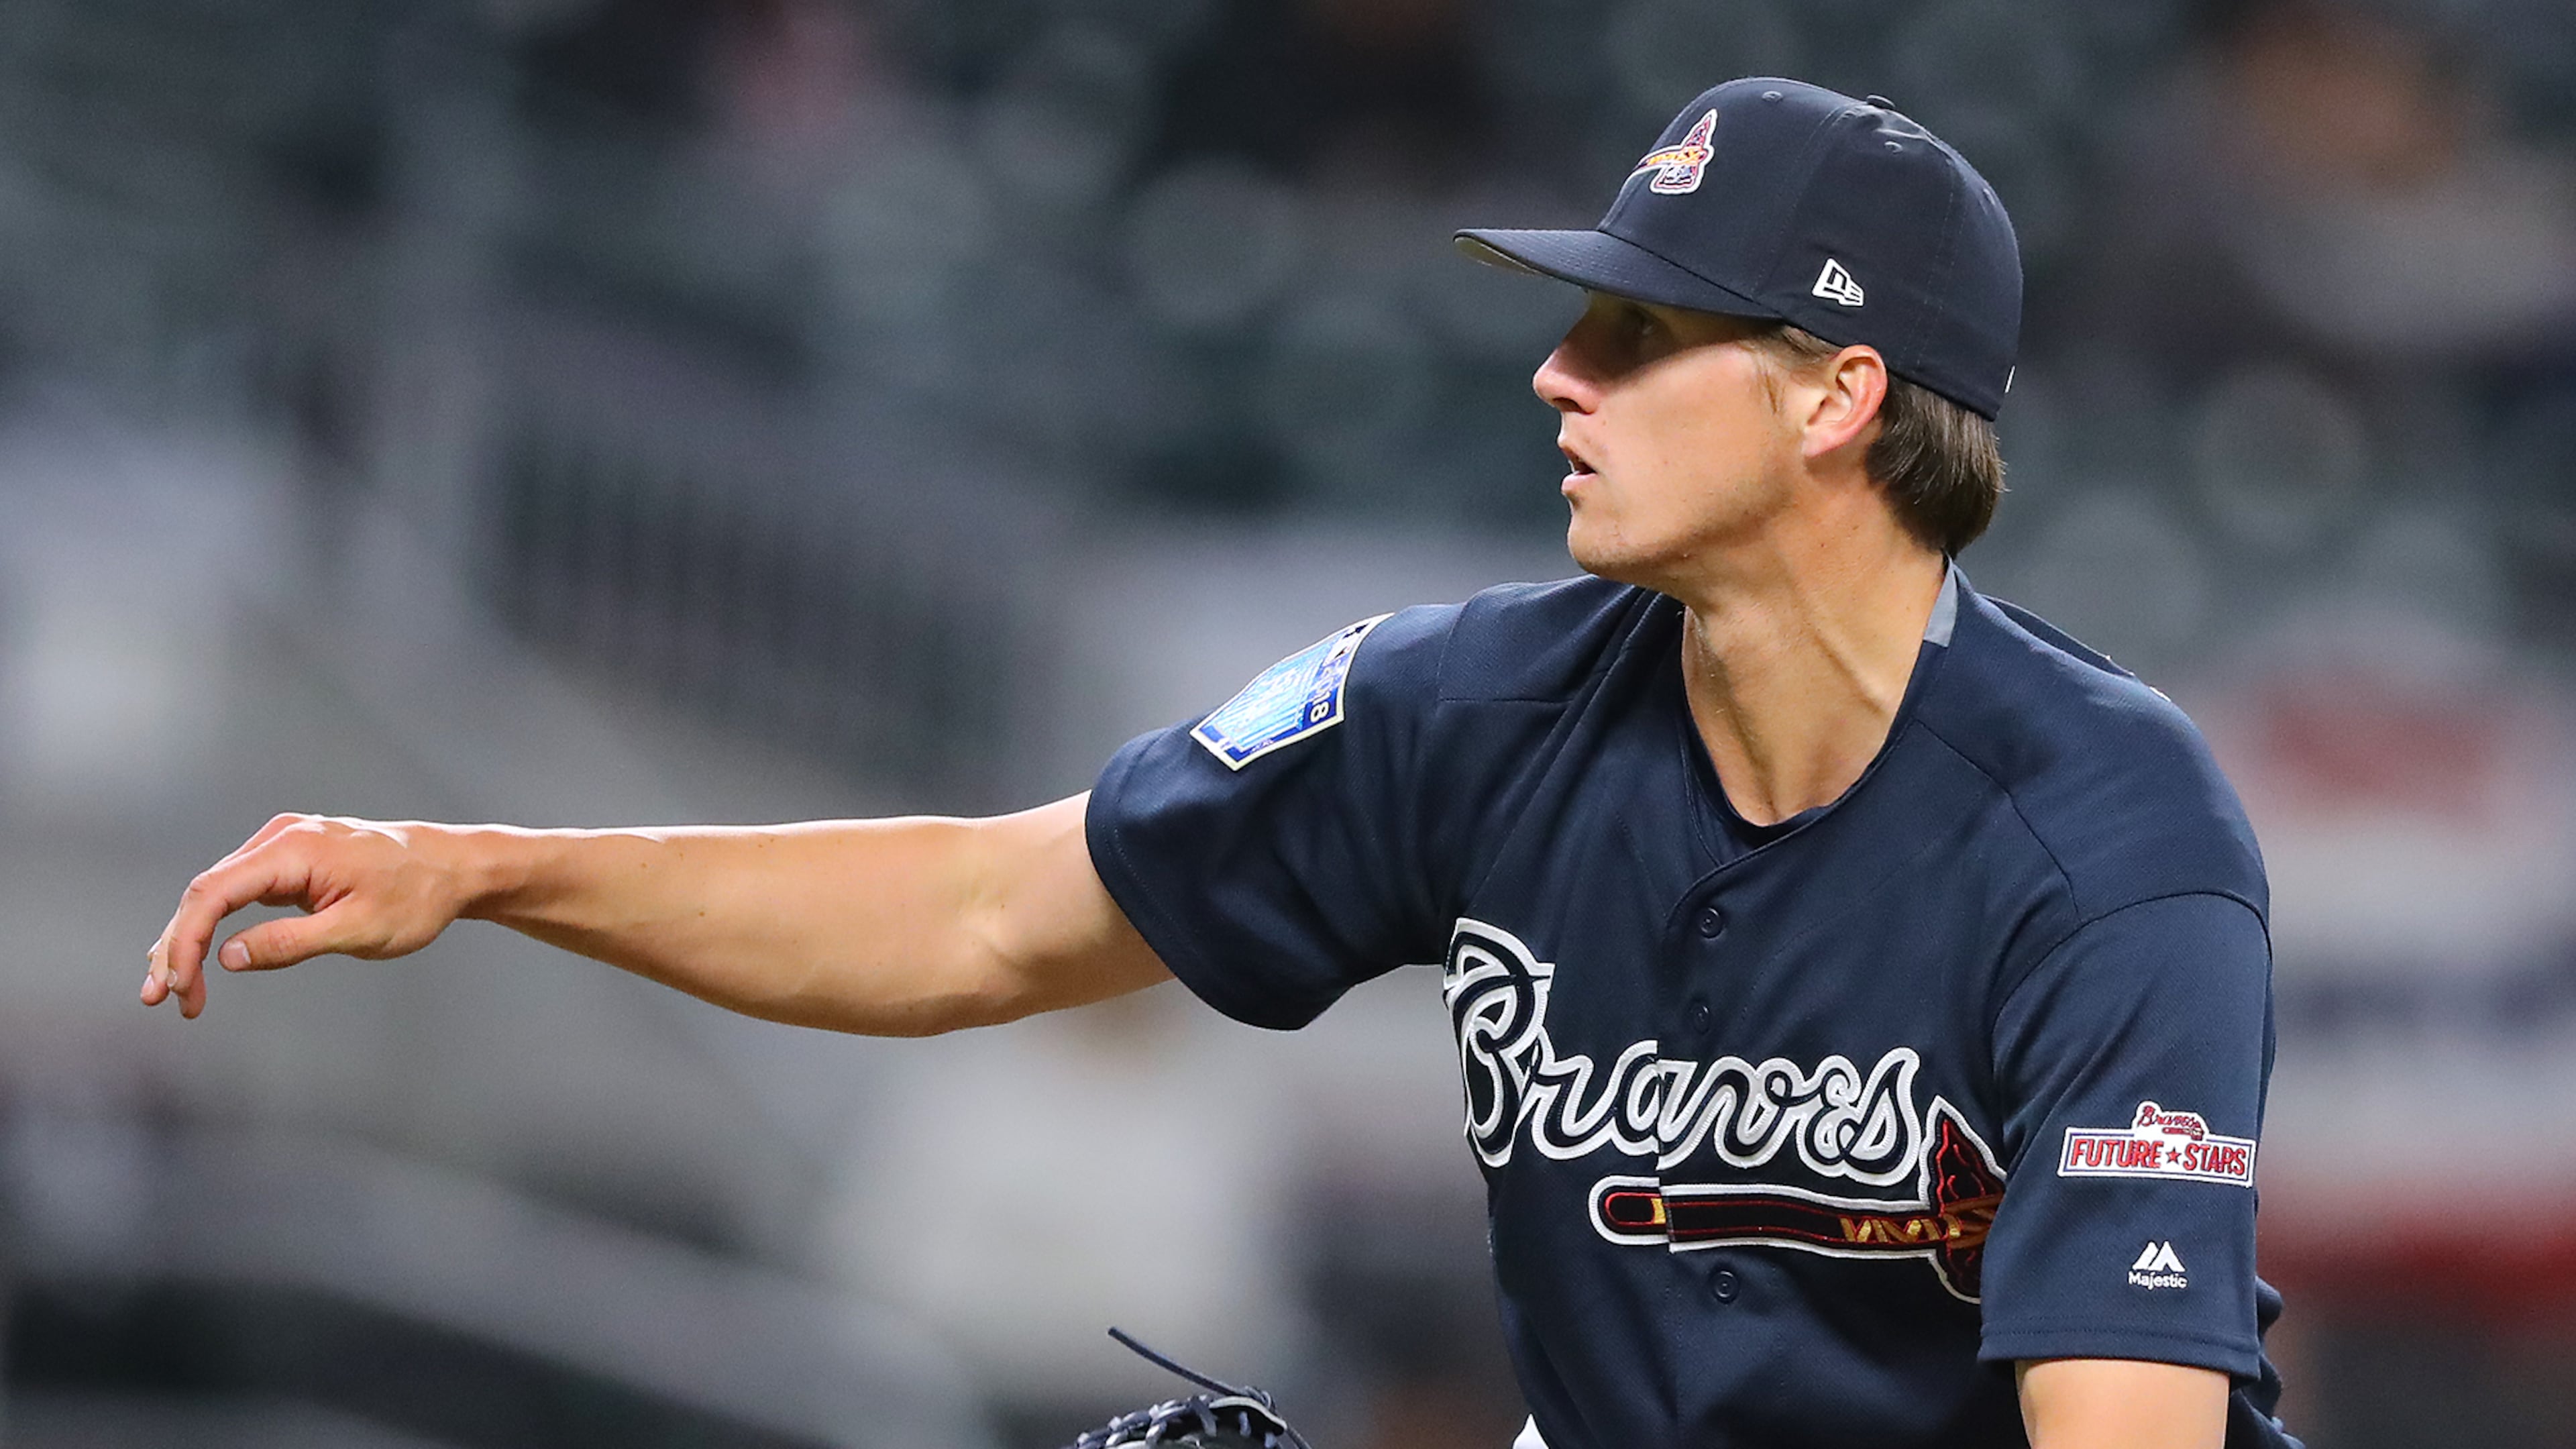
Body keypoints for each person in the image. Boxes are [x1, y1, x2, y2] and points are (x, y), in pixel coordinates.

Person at [147, 78, 2297, 1449]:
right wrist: (495, 865)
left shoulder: (2111, 835)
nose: (1561, 369)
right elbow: (993, 911)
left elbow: (2115, 1443)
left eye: (1642, 333)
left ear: (1837, 398)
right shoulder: (1468, 711)